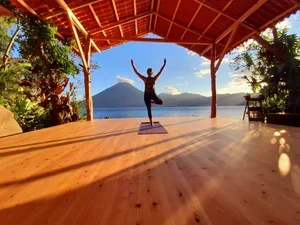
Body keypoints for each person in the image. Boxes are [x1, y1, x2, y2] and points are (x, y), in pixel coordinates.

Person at [131, 58, 166, 126]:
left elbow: (136, 72)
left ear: (149, 73)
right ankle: (151, 122)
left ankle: (151, 120)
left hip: (151, 95)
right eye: (150, 72)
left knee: (156, 104)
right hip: (148, 96)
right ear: (150, 73)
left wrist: (133, 65)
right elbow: (160, 72)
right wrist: (164, 64)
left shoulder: (147, 79)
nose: (150, 73)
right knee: (151, 107)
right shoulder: (150, 78)